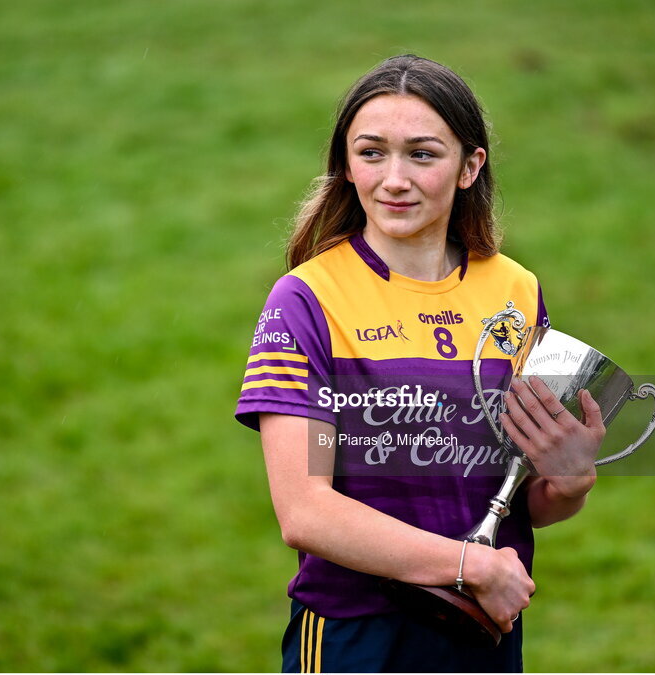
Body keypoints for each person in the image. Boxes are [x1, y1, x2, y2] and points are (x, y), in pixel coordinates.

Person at [235, 54, 606, 673]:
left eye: (423, 154)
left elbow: (521, 496)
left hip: (483, 629)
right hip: (357, 633)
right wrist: (469, 565)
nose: (394, 179)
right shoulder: (306, 299)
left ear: (470, 167)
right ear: (345, 166)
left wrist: (568, 483)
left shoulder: (515, 291)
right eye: (372, 152)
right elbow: (304, 512)